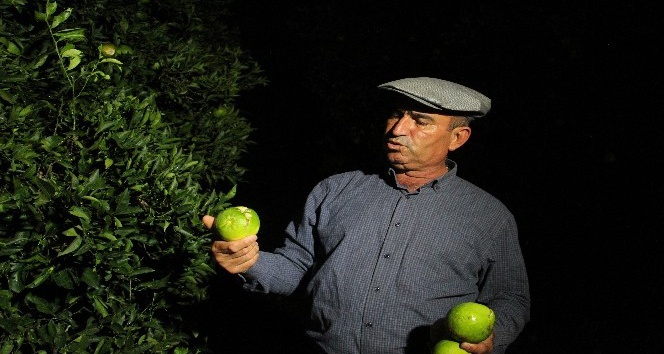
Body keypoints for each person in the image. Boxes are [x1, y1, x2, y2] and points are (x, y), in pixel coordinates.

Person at [203, 77, 530, 354]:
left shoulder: (489, 216)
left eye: (420, 120)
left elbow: (510, 298)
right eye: (396, 114)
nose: (398, 128)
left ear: (457, 138)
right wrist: (250, 262)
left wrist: (492, 336)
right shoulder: (335, 190)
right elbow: (298, 270)